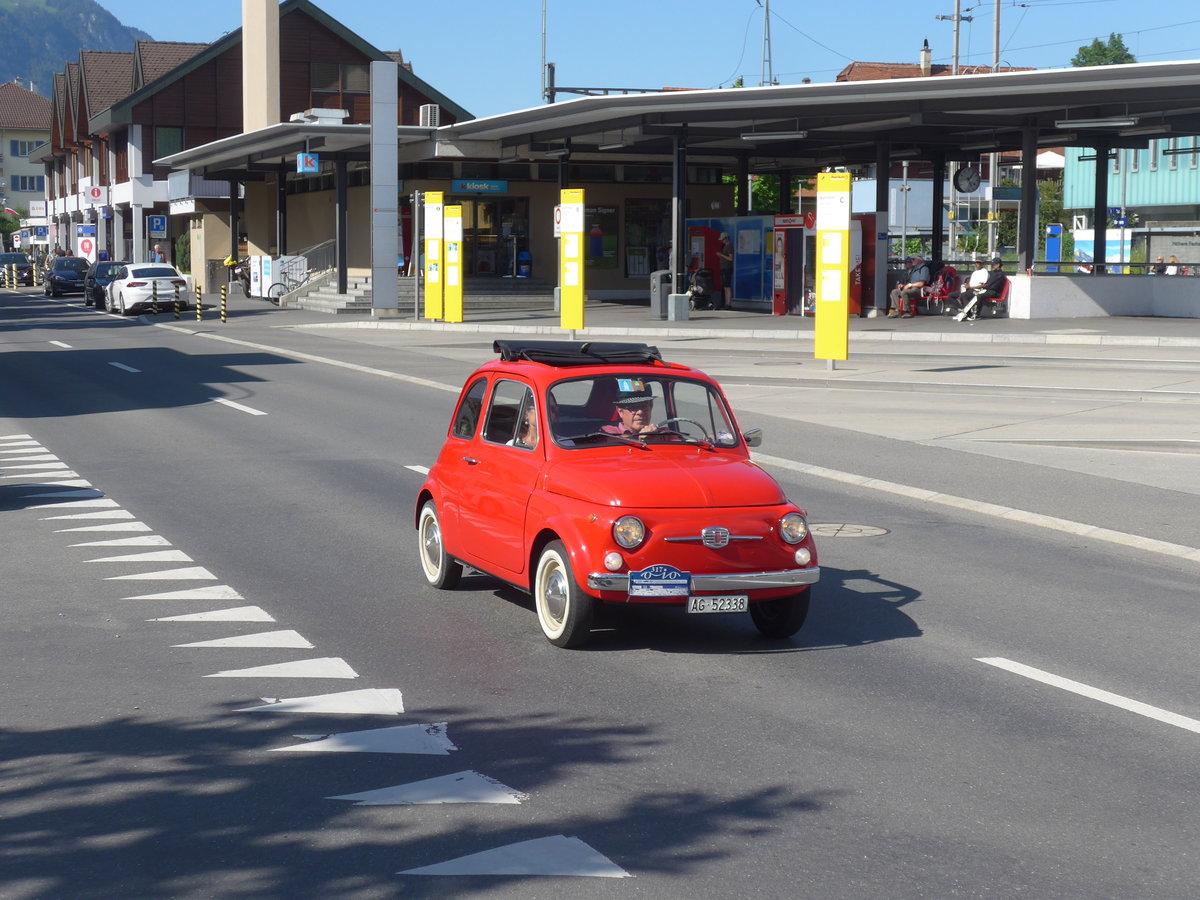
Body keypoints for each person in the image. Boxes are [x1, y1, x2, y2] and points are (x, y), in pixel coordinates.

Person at [955, 256, 1008, 321]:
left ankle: (977, 314)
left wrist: (983, 287)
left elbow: (992, 285)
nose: (992, 266)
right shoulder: (991, 273)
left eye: (993, 264)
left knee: (979, 295)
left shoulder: (1000, 275)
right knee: (964, 294)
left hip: (994, 292)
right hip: (986, 290)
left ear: (998, 265)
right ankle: (967, 313)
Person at [716, 232, 733, 310]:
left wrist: (721, 255)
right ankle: (726, 303)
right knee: (725, 287)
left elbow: (730, 258)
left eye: (723, 239)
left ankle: (728, 303)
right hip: (723, 269)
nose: (722, 241)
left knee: (727, 286)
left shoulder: (729, 247)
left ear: (726, 238)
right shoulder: (725, 246)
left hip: (727, 269)